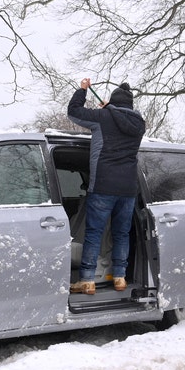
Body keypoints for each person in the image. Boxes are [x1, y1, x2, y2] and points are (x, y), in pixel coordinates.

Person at [67, 78, 147, 295]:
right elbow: (120, 120)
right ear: (130, 105)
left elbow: (74, 111)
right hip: (128, 188)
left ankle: (87, 280)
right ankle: (120, 278)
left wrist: (82, 90)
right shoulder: (139, 124)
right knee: (122, 233)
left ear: (112, 101)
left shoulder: (103, 117)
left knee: (94, 233)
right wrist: (109, 110)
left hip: (103, 185)